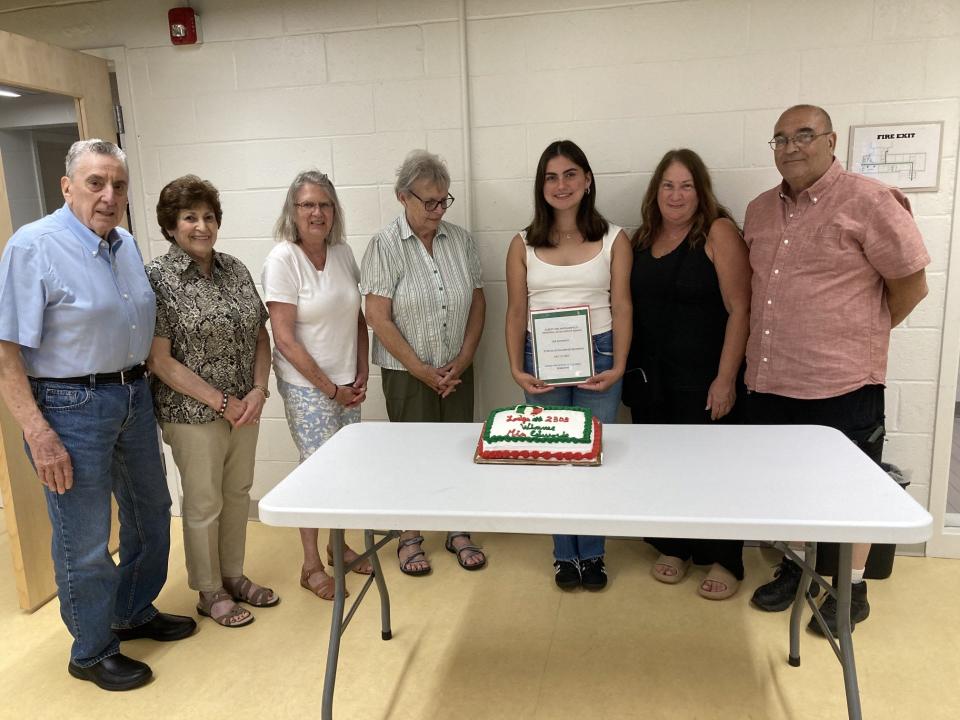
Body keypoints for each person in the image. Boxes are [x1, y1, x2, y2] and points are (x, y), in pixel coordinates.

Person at [0, 139, 195, 691]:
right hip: (67, 405)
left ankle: (131, 611)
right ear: (68, 187)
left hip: (132, 396)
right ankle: (90, 649)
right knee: (83, 538)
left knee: (152, 513)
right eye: (95, 183)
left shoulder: (125, 243)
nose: (109, 196)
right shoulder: (33, 246)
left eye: (118, 185)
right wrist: (37, 432)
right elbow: (6, 350)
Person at [745, 105, 929, 635]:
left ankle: (852, 589)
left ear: (830, 141)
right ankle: (797, 569)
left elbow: (911, 285)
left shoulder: (870, 201)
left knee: (853, 488)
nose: (791, 147)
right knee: (787, 486)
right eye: (779, 139)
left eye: (804, 135)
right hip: (771, 379)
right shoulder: (759, 209)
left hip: (844, 382)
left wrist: (856, 337)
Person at [146, 175, 278, 628]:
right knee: (203, 503)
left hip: (245, 408)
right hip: (192, 413)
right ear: (170, 226)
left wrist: (259, 391)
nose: (201, 226)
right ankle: (208, 590)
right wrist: (221, 402)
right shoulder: (157, 278)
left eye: (208, 216)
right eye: (189, 217)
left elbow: (261, 333)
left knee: (237, 495)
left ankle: (234, 575)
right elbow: (160, 361)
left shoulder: (234, 268)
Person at [505, 140, 632, 591]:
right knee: (554, 457)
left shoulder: (615, 238)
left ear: (587, 180)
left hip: (599, 353)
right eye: (551, 177)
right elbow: (516, 310)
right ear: (541, 186)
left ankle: (593, 553)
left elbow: (622, 304)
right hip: (541, 358)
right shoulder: (521, 243)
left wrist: (618, 365)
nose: (562, 185)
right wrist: (516, 368)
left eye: (570, 174)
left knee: (591, 456)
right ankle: (564, 555)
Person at [626, 149, 752, 600]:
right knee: (662, 469)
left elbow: (740, 309)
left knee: (713, 471)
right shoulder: (641, 240)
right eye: (667, 185)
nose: (676, 195)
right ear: (654, 191)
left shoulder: (718, 232)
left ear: (701, 192)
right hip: (652, 380)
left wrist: (725, 379)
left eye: (686, 186)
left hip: (704, 379)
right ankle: (674, 545)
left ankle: (724, 557)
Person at [361, 149, 487, 575]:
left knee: (457, 450)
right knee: (412, 455)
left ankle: (456, 528)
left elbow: (477, 300)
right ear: (403, 197)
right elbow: (377, 315)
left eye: (444, 201)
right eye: (428, 201)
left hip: (456, 370)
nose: (437, 210)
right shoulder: (384, 245)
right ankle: (410, 535)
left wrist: (465, 357)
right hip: (406, 374)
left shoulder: (461, 240)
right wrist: (419, 368)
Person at [262, 171, 372, 600]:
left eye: (325, 204)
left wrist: (362, 371)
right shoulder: (282, 260)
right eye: (307, 204)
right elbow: (284, 339)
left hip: (348, 382)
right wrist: (330, 388)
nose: (317, 212)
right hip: (309, 387)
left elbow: (357, 317)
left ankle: (337, 546)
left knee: (344, 469)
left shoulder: (343, 253)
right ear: (293, 211)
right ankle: (310, 566)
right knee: (314, 473)